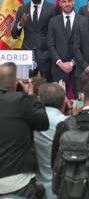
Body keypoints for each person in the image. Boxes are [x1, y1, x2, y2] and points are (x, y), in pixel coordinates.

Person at [0, 63, 49, 198]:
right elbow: (43, 123)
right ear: (15, 84)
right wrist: (32, 96)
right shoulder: (21, 101)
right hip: (18, 180)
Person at [12, 0, 60, 81]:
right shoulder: (22, 9)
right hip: (27, 55)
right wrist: (20, 24)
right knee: (26, 86)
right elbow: (14, 35)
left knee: (48, 88)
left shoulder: (52, 8)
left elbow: (57, 33)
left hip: (46, 56)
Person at [48, 0, 86, 96]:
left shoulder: (83, 20)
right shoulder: (53, 21)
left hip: (78, 67)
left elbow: (85, 45)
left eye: (69, 1)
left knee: (80, 99)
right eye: (64, 2)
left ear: (73, 2)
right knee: (58, 99)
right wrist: (60, 63)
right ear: (60, 3)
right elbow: (50, 44)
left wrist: (72, 62)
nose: (67, 4)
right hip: (59, 68)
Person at [34, 83, 68, 199]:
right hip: (60, 187)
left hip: (34, 186)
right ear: (64, 102)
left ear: (39, 99)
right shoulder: (67, 123)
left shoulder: (30, 119)